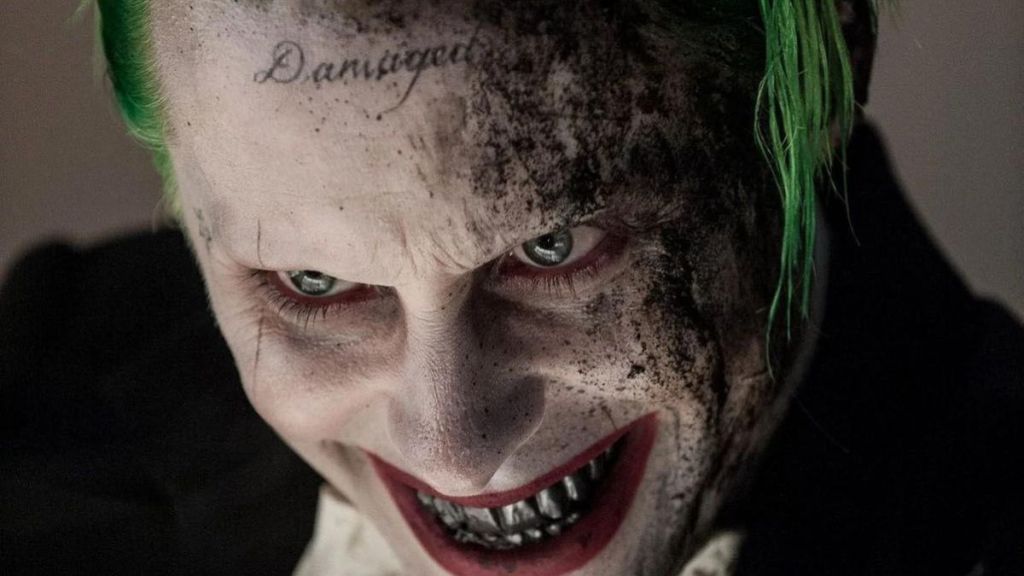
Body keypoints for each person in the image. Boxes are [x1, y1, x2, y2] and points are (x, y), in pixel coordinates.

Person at [2, 1, 1021, 575]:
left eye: (552, 246)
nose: (454, 448)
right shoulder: (43, 380)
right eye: (314, 281)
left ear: (822, 70)